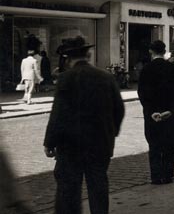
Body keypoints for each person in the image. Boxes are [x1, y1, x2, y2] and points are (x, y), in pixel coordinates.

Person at [44, 36, 125, 214]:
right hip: (100, 144)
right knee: (98, 186)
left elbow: (58, 114)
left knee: (69, 189)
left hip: (71, 145)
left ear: (67, 59)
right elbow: (118, 109)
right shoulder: (106, 77)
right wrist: (111, 132)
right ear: (87, 55)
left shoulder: (66, 79)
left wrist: (50, 142)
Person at [137, 40, 174, 185]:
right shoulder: (173, 69)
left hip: (152, 115)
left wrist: (152, 112)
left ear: (151, 52)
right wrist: (171, 110)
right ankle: (168, 175)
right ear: (164, 52)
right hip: (171, 114)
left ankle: (156, 176)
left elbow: (142, 93)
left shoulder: (146, 69)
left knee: (154, 145)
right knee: (170, 144)